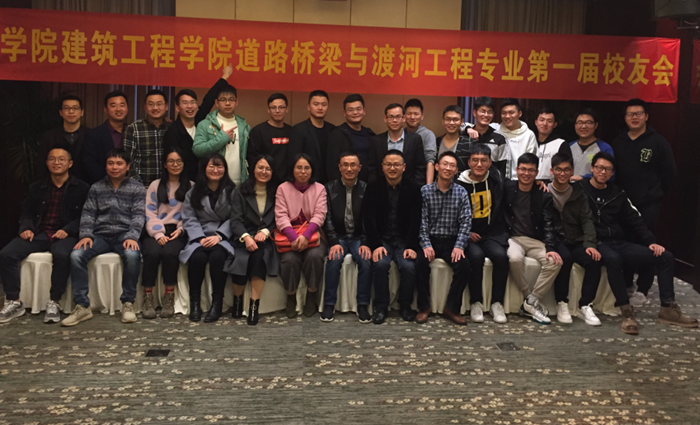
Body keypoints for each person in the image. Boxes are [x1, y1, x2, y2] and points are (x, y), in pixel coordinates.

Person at [580, 152, 697, 333]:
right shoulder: (580, 189)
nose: (603, 172)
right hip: (596, 242)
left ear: (612, 172)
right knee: (614, 259)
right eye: (600, 168)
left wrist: (651, 242)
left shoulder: (617, 193)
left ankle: (668, 308)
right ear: (592, 168)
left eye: (608, 169)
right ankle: (626, 312)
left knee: (665, 257)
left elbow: (635, 219)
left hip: (618, 241)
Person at [0, 145, 89, 324]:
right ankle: (14, 301)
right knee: (7, 254)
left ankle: (54, 301)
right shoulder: (37, 187)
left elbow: (85, 216)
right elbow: (27, 212)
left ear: (70, 163)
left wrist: (68, 229)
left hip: (66, 234)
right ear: (47, 163)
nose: (56, 163)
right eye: (52, 159)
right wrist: (26, 228)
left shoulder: (82, 188)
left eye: (61, 159)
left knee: (62, 255)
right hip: (39, 233)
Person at [62, 149, 145, 327]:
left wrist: (132, 236)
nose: (115, 167)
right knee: (76, 255)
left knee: (132, 255)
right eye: (111, 163)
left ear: (127, 166)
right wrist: (86, 235)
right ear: (106, 166)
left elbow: (139, 215)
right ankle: (82, 306)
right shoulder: (96, 187)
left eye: (119, 163)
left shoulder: (137, 188)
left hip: (125, 235)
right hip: (100, 235)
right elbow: (88, 214)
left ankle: (128, 303)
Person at [363, 150, 422, 324]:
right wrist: (375, 245)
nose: (392, 168)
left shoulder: (413, 189)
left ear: (404, 167)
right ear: (382, 167)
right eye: (388, 164)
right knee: (380, 264)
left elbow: (416, 220)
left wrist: (411, 246)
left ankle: (405, 305)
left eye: (396, 164)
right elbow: (369, 219)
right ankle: (381, 306)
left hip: (404, 240)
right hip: (382, 239)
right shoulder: (373, 187)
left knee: (408, 266)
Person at [504, 153, 562, 325]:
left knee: (554, 262)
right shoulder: (507, 187)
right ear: (516, 170)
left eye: (531, 170)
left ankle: (531, 301)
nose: (526, 173)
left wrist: (550, 248)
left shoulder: (543, 195)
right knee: (515, 259)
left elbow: (548, 223)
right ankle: (527, 296)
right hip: (513, 238)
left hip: (535, 240)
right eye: (523, 169)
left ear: (537, 172)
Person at [456, 144, 509, 324]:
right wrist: (466, 232)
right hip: (467, 235)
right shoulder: (459, 184)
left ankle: (497, 303)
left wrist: (539, 182)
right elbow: (453, 213)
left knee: (501, 257)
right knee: (476, 257)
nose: (479, 164)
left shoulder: (496, 180)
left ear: (490, 163)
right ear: (469, 162)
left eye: (484, 160)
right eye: (475, 160)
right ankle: (476, 302)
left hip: (490, 234)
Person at [416, 151, 471, 325]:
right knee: (419, 263)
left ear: (456, 170)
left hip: (451, 240)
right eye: (444, 164)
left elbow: (466, 222)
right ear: (437, 167)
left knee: (464, 266)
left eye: (452, 165)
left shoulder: (461, 192)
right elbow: (421, 221)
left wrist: (459, 246)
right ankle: (424, 307)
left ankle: (451, 308)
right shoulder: (424, 191)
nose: (448, 168)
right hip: (430, 239)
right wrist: (426, 244)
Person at [548, 153, 603, 326]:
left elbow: (587, 220)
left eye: (566, 170)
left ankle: (585, 305)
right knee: (565, 259)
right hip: (557, 239)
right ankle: (562, 303)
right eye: (558, 170)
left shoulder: (579, 193)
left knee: (594, 260)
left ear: (572, 171)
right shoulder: (545, 191)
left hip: (576, 239)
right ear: (552, 171)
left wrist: (590, 244)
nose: (562, 174)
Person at [179, 153, 235, 323]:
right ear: (204, 168)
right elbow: (189, 217)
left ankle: (217, 304)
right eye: (212, 166)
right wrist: (199, 237)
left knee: (218, 256)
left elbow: (236, 217)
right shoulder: (193, 192)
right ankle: (195, 303)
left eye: (219, 166)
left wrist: (219, 236)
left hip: (222, 236)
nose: (215, 170)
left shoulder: (232, 191)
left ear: (225, 169)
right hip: (200, 235)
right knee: (197, 258)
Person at [226, 154, 279, 326]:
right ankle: (237, 300)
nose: (264, 172)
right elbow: (235, 220)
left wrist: (266, 231)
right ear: (253, 169)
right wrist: (246, 237)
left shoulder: (277, 192)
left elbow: (279, 218)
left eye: (268, 169)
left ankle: (254, 306)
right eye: (260, 167)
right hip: (244, 236)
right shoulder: (240, 191)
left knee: (258, 258)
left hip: (266, 239)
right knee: (240, 259)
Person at [140, 147, 191, 320]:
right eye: (171, 161)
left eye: (179, 161)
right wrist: (158, 234)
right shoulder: (155, 185)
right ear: (165, 164)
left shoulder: (190, 186)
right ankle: (148, 297)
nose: (175, 165)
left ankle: (169, 296)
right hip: (155, 229)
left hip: (179, 230)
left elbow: (190, 214)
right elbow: (150, 212)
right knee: (152, 252)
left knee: (170, 253)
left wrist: (181, 229)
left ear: (183, 164)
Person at [275, 154, 328, 318]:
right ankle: (291, 297)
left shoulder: (320, 188)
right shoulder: (282, 188)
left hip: (313, 235)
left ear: (312, 170)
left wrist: (305, 236)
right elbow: (281, 216)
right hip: (288, 236)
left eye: (307, 168)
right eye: (299, 167)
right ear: (292, 169)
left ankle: (311, 295)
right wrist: (293, 237)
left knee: (315, 256)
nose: (303, 172)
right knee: (289, 259)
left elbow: (320, 215)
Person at [611, 98, 676, 233]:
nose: (634, 117)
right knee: (622, 238)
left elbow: (669, 172)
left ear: (646, 116)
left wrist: (654, 193)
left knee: (646, 239)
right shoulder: (617, 143)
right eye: (630, 114)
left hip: (648, 204)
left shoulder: (658, 142)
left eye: (639, 114)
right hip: (622, 202)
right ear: (625, 118)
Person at [322, 152, 371, 323]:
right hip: (339, 237)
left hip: (358, 238)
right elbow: (326, 218)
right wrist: (334, 241)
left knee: (366, 261)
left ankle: (362, 304)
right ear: (339, 167)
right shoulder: (329, 188)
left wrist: (365, 241)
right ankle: (329, 304)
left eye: (353, 165)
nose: (349, 169)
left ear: (359, 167)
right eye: (345, 165)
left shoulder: (366, 188)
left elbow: (369, 219)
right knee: (334, 260)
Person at [163, 64, 234, 182]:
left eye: (193, 102)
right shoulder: (173, 132)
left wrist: (225, 76)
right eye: (185, 103)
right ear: (177, 108)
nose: (190, 106)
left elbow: (209, 99)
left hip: (206, 180)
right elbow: (172, 162)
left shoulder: (199, 120)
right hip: (185, 182)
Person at [193, 84, 250, 186]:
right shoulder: (205, 124)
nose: (227, 103)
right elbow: (198, 150)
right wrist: (221, 139)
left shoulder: (244, 126)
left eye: (231, 99)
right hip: (214, 182)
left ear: (236, 102)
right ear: (216, 103)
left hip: (240, 182)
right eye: (223, 100)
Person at [295, 90, 348, 184]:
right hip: (308, 181)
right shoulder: (299, 130)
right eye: (316, 104)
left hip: (331, 182)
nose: (320, 108)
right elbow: (294, 159)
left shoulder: (333, 130)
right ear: (308, 107)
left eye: (324, 104)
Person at [367, 103, 426, 185]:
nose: (394, 120)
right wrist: (375, 188)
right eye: (391, 117)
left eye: (398, 117)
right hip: (382, 188)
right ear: (385, 118)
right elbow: (372, 169)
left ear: (404, 118)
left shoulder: (415, 139)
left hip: (408, 188)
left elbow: (420, 167)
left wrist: (416, 188)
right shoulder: (376, 141)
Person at [248, 93, 298, 185]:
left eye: (281, 107)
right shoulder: (258, 131)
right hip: (265, 181)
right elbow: (252, 159)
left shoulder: (292, 132)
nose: (277, 111)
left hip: (288, 182)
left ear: (287, 109)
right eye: (273, 107)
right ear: (268, 110)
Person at [123, 89, 171, 186]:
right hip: (141, 186)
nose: (155, 107)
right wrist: (139, 185)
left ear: (166, 106)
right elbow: (127, 159)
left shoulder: (171, 128)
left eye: (159, 104)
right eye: (151, 104)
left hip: (168, 185)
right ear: (145, 107)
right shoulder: (133, 128)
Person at [36, 94, 89, 181]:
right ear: (61, 112)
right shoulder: (48, 137)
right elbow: (41, 165)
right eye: (66, 108)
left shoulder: (92, 135)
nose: (71, 111)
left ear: (82, 112)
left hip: (86, 184)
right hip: (55, 184)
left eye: (75, 108)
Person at [82, 91, 129, 184]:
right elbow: (90, 164)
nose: (118, 109)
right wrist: (111, 182)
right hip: (103, 185)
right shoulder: (94, 135)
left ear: (127, 108)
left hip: (130, 186)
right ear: (105, 110)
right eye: (113, 105)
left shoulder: (133, 132)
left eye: (122, 105)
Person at [330, 94, 375, 182]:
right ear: (344, 113)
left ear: (364, 111)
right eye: (351, 110)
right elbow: (332, 165)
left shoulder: (369, 134)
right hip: (345, 185)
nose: (355, 112)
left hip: (367, 184)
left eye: (358, 109)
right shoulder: (337, 134)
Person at [463, 96, 508, 174]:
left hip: (492, 180)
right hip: (467, 179)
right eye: (483, 111)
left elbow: (503, 168)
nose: (486, 115)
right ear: (474, 113)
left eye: (489, 112)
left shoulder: (500, 138)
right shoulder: (465, 135)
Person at [569, 108, 613, 182]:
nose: (583, 126)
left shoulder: (605, 148)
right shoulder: (568, 147)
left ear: (596, 125)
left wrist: (584, 178)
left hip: (595, 188)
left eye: (588, 122)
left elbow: (610, 174)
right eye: (580, 123)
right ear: (575, 125)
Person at [498, 98, 538, 180]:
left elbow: (532, 161)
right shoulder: (497, 132)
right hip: (499, 180)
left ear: (519, 113)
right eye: (504, 113)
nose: (507, 116)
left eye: (511, 112)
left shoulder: (528, 135)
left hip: (521, 181)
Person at [533, 108, 571, 182]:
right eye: (542, 120)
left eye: (549, 121)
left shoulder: (561, 144)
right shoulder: (530, 142)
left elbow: (566, 170)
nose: (545, 124)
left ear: (555, 124)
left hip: (553, 185)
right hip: (530, 184)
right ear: (536, 122)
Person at [404, 98, 437, 184]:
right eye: (409, 114)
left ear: (422, 116)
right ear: (404, 116)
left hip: (420, 181)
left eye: (416, 114)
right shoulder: (401, 133)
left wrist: (428, 186)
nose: (412, 117)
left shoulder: (428, 135)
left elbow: (430, 161)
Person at [436, 105, 475, 174]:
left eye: (455, 119)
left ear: (462, 121)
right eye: (448, 119)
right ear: (443, 121)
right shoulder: (436, 142)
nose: (451, 123)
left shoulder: (470, 143)